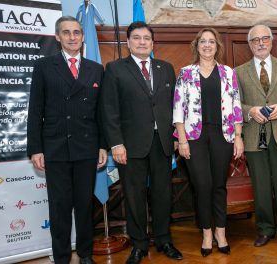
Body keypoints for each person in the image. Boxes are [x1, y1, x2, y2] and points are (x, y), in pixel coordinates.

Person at [100, 21, 182, 264]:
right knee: (134, 196)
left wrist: (177, 138)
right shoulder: (115, 69)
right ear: (128, 42)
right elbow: (109, 109)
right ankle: (139, 244)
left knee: (163, 194)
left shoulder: (166, 68)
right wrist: (116, 144)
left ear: (153, 43)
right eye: (137, 38)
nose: (142, 42)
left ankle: (164, 240)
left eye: (147, 38)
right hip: (130, 146)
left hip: (163, 143)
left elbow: (175, 106)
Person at [27, 16, 107, 264]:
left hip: (86, 147)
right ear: (58, 37)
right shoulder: (44, 66)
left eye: (77, 32)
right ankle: (61, 257)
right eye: (67, 32)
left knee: (84, 206)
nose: (72, 37)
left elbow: (101, 112)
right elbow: (35, 110)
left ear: (83, 37)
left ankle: (85, 254)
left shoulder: (96, 68)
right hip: (55, 148)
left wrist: (103, 144)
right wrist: (36, 149)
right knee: (60, 208)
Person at [173, 28, 244, 257]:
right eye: (202, 41)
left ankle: (221, 232)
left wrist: (238, 137)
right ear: (197, 45)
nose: (207, 45)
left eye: (211, 41)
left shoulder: (228, 73)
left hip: (222, 136)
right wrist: (181, 140)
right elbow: (178, 109)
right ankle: (206, 233)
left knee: (218, 186)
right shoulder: (185, 73)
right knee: (202, 186)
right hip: (194, 138)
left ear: (217, 46)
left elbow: (236, 107)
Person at [235, 24, 277, 248]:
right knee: (261, 187)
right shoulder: (239, 71)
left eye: (265, 39)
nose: (261, 43)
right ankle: (264, 229)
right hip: (254, 135)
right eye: (255, 40)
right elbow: (236, 103)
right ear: (250, 45)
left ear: (272, 41)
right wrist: (250, 111)